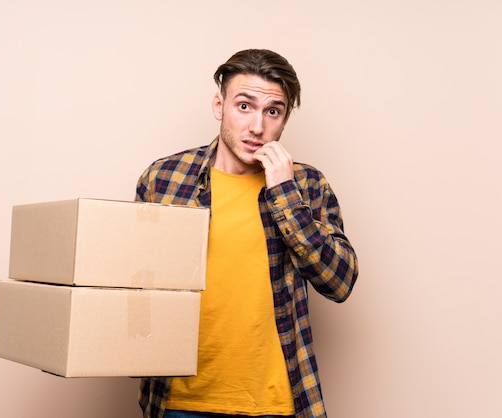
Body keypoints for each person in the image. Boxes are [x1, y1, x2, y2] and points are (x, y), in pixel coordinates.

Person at [134, 49, 358, 418]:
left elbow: (340, 282)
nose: (257, 126)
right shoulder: (164, 178)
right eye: (244, 106)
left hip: (273, 403)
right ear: (219, 105)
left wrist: (284, 194)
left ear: (284, 118)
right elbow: (132, 282)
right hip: (180, 399)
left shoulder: (308, 184)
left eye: (273, 111)